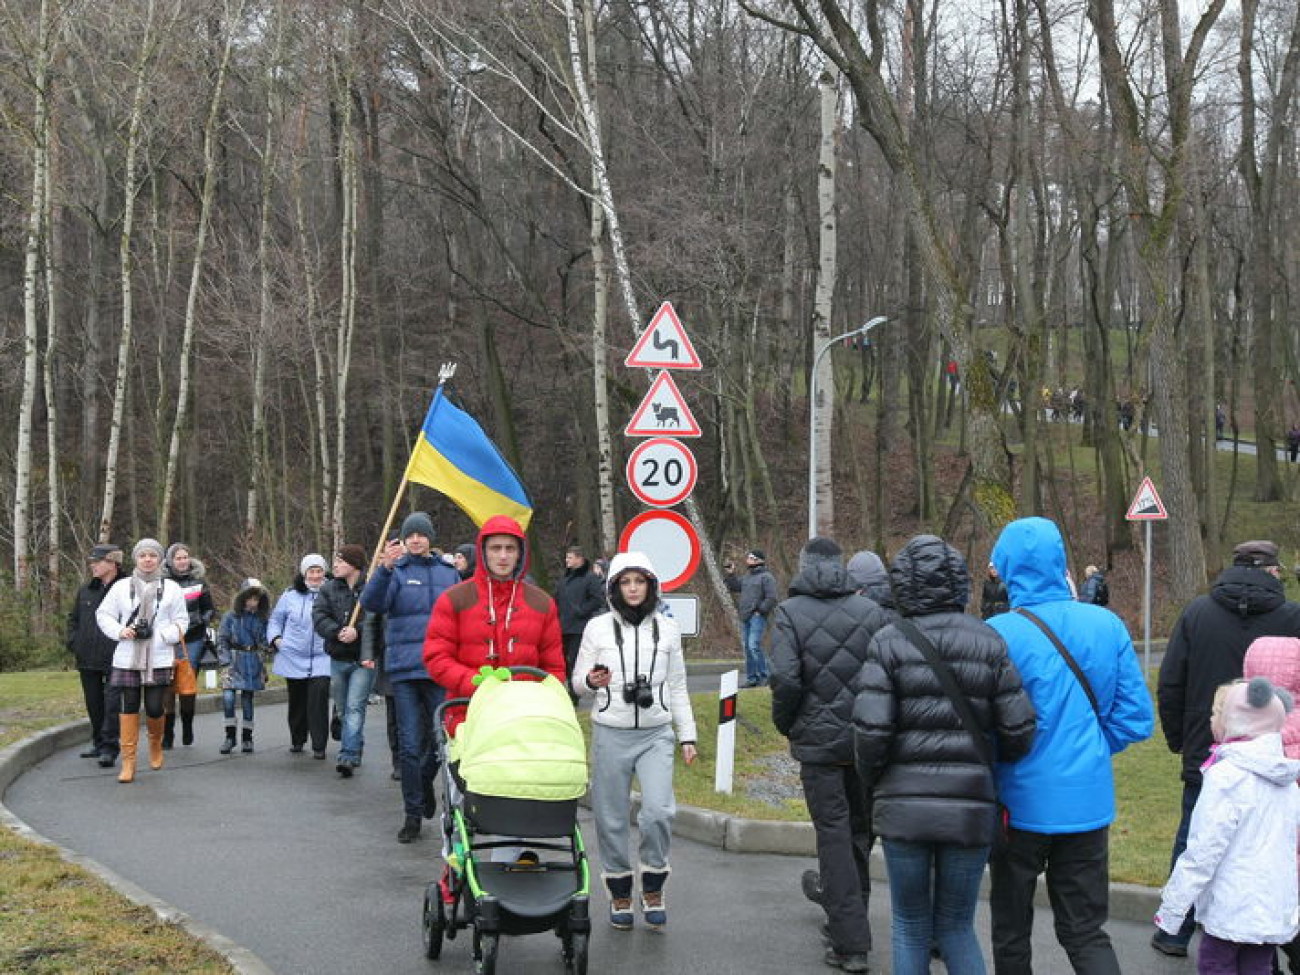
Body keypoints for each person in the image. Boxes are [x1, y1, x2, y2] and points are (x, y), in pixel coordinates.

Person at [854, 534, 1036, 975]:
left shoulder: (887, 642)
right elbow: (1019, 730)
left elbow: (871, 733)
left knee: (910, 924)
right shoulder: (988, 641)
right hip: (970, 807)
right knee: (957, 926)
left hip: (903, 807)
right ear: (959, 583)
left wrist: (876, 780)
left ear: (903, 584)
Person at [986, 516, 1154, 975]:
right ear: (1061, 562)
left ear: (1006, 566)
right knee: (1085, 930)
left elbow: (986, 726)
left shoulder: (998, 633)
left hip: (1017, 804)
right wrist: (1091, 749)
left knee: (1011, 927)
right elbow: (1136, 718)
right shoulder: (1107, 624)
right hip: (1087, 802)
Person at [1153, 538, 1300, 957]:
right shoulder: (1292, 617)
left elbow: (1171, 683)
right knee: (1275, 845)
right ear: (1273, 571)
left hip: (1208, 747)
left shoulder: (1198, 613)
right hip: (1277, 753)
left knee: (1195, 837)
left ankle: (1174, 929)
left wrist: (1181, 739)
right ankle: (1274, 936)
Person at [770, 537, 891, 973]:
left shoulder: (789, 613)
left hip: (819, 747)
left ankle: (850, 940)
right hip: (863, 741)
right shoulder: (872, 613)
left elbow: (784, 679)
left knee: (834, 837)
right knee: (859, 833)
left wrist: (789, 724)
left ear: (803, 566)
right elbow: (884, 677)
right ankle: (850, 920)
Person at [570, 551, 697, 932]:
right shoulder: (597, 629)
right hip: (611, 731)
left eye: (639, 582)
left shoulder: (668, 630)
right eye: (626, 582)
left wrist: (686, 734)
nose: (633, 589)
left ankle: (654, 886)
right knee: (610, 819)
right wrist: (591, 682)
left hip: (656, 733)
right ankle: (620, 892)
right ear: (614, 588)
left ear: (651, 586)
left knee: (658, 811)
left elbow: (677, 687)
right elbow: (577, 681)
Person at [1154, 677, 1300, 974]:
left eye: (1216, 713)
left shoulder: (1226, 777)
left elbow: (1203, 850)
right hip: (1272, 905)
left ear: (1237, 721)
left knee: (1215, 964)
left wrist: (1172, 909)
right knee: (1257, 967)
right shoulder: (1286, 780)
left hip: (1231, 904)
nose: (1211, 720)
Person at [361, 511, 459, 843]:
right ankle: (412, 813)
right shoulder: (395, 572)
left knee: (439, 740)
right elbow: (371, 603)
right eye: (410, 535)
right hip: (403, 668)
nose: (416, 539)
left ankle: (424, 786)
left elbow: (462, 616)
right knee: (409, 743)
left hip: (440, 667)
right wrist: (384, 569)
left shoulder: (449, 574)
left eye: (421, 534)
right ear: (403, 541)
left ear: (431, 538)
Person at [95, 538, 191, 783]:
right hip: (128, 656)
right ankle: (129, 762)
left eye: (152, 555)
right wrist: (120, 631)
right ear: (135, 559)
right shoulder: (121, 587)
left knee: (155, 707)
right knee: (127, 707)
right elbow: (103, 614)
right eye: (142, 555)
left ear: (160, 559)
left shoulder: (171, 588)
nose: (147, 560)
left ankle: (155, 744)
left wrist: (163, 635)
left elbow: (182, 621)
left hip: (158, 656)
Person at [313, 545, 376, 778]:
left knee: (354, 706)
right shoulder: (328, 589)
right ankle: (355, 743)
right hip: (338, 657)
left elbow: (376, 619)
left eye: (340, 561)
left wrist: (357, 632)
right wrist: (337, 631)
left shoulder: (370, 589)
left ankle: (347, 755)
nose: (336, 565)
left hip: (362, 659)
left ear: (354, 564)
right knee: (341, 709)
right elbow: (319, 616)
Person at [66, 544, 126, 767]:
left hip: (116, 656)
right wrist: (74, 642)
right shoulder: (86, 590)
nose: (92, 565)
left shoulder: (127, 589)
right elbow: (73, 619)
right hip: (87, 656)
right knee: (93, 702)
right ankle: (98, 741)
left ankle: (110, 747)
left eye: (97, 561)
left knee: (112, 702)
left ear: (113, 564)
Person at [269, 554, 332, 759]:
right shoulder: (289, 596)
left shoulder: (332, 592)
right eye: (311, 571)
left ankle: (319, 744)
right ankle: (297, 738)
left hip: (323, 656)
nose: (315, 576)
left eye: (319, 571)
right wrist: (277, 639)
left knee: (319, 697)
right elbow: (276, 620)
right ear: (304, 573)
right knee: (297, 700)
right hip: (293, 655)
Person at [161, 543, 215, 749]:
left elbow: (210, 609)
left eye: (185, 557)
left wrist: (200, 620)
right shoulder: (162, 584)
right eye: (178, 558)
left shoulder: (200, 583)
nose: (183, 561)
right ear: (170, 561)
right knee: (167, 685)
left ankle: (188, 724)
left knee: (186, 687)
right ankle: (168, 732)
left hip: (192, 640)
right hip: (168, 640)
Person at [215, 578, 270, 754]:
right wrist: (224, 660)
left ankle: (247, 737)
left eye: (256, 599)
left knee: (247, 699)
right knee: (228, 698)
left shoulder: (261, 619)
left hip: (252, 660)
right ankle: (229, 736)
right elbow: (222, 638)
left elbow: (266, 640)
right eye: (250, 598)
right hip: (232, 659)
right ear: (242, 598)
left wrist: (266, 652)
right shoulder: (230, 617)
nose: (253, 602)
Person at [554, 544, 606, 687]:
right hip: (563, 626)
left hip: (580, 627)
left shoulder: (590, 578)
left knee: (577, 659)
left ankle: (575, 688)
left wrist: (581, 611)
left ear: (579, 559)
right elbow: (557, 598)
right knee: (562, 659)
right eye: (567, 557)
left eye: (570, 557)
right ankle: (569, 686)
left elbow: (597, 600)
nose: (567, 560)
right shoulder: (564, 579)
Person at [725, 549, 778, 687]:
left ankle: (765, 675)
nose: (747, 560)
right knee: (748, 648)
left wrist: (760, 611)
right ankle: (752, 678)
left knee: (753, 646)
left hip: (757, 616)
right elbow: (735, 586)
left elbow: (772, 598)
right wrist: (731, 574)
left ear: (759, 560)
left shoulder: (767, 577)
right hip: (746, 616)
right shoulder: (747, 577)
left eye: (751, 557)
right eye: (748, 557)